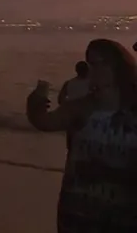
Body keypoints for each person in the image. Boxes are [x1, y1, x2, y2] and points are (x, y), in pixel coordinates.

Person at [26, 38, 137, 233]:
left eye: (97, 63)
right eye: (89, 64)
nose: (92, 70)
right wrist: (35, 103)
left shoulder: (132, 110)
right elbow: (45, 122)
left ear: (116, 66)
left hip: (124, 208)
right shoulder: (81, 107)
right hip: (79, 208)